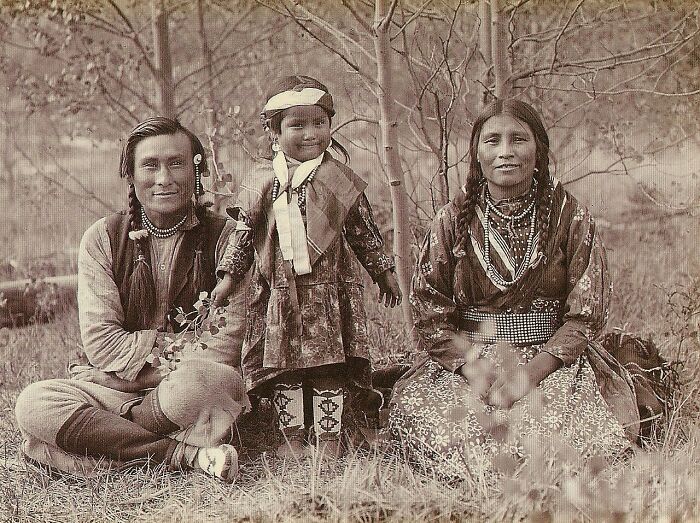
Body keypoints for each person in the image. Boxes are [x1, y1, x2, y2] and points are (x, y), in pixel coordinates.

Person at [387, 99, 640, 478]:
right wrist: (478, 371)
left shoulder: (570, 217)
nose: (505, 152)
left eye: (518, 139)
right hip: (467, 364)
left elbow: (586, 315)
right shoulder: (453, 219)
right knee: (448, 433)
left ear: (538, 149)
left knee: (550, 440)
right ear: (476, 153)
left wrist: (528, 376)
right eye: (492, 141)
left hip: (553, 363)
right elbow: (428, 312)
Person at [14, 117, 249, 481]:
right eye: (150, 165)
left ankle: (88, 446)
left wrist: (125, 381)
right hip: (113, 393)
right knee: (34, 402)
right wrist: (133, 377)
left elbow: (224, 345)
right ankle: (184, 455)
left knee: (209, 380)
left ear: (196, 169)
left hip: (182, 391)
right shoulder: (102, 238)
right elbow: (102, 344)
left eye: (176, 163)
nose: (164, 178)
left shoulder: (229, 239)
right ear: (131, 174)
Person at [211, 75, 402, 458]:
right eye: (297, 125)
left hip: (329, 294)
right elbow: (244, 233)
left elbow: (363, 231)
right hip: (279, 295)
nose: (311, 133)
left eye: (319, 122)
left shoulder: (337, 179)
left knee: (328, 365)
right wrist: (229, 278)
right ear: (274, 132)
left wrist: (383, 272)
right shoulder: (263, 181)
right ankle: (292, 438)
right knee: (287, 369)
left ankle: (329, 438)